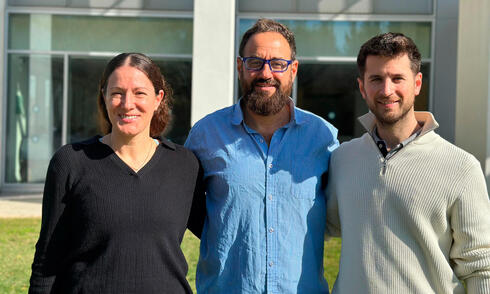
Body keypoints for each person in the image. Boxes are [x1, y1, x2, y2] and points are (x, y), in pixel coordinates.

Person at [326, 32, 490, 293]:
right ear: (362, 87)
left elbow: (480, 266)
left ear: (417, 83)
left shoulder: (461, 167)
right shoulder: (342, 159)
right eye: (376, 79)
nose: (386, 90)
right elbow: (318, 226)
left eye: (397, 78)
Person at [29, 53, 205, 294]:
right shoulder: (71, 162)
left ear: (158, 98)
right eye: (117, 93)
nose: (127, 103)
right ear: (104, 97)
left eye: (139, 93)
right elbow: (47, 260)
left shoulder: (185, 165)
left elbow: (218, 232)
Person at [184, 19, 339, 293]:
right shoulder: (205, 136)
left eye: (278, 64)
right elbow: (189, 213)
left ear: (293, 70)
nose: (265, 73)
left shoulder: (323, 138)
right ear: (239, 67)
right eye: (254, 62)